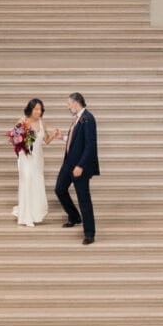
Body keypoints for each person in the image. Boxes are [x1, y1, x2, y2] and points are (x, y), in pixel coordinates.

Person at [55, 91, 100, 243]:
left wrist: (81, 165)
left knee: (84, 199)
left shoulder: (88, 119)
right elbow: (76, 141)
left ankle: (89, 233)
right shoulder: (77, 119)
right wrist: (63, 138)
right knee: (60, 189)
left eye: (68, 104)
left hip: (79, 166)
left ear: (75, 103)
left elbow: (90, 145)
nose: (68, 107)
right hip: (68, 163)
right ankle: (74, 216)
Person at [10, 98, 58, 229]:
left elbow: (46, 140)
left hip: (38, 159)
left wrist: (53, 135)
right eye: (36, 109)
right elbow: (14, 139)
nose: (38, 111)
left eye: (40, 109)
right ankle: (26, 217)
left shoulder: (42, 123)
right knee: (27, 182)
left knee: (36, 183)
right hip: (26, 158)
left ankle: (35, 213)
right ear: (30, 109)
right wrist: (21, 141)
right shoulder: (23, 121)